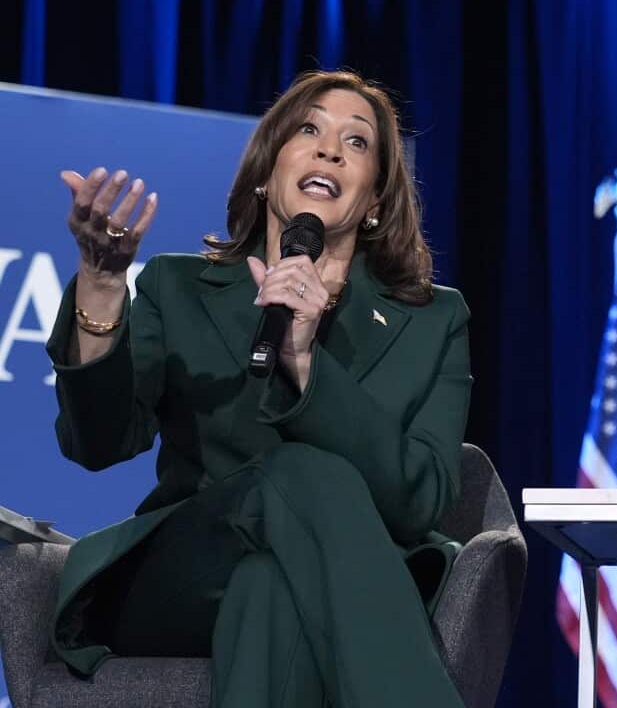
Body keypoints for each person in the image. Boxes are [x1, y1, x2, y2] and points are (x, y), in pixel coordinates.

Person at [46, 70, 471, 707]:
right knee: (299, 473)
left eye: (357, 142)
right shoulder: (178, 288)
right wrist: (103, 286)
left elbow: (422, 502)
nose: (330, 150)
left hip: (332, 587)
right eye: (309, 130)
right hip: (180, 580)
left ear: (376, 201)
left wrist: (305, 363)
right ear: (267, 173)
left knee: (268, 591)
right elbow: (97, 443)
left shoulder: (432, 320)